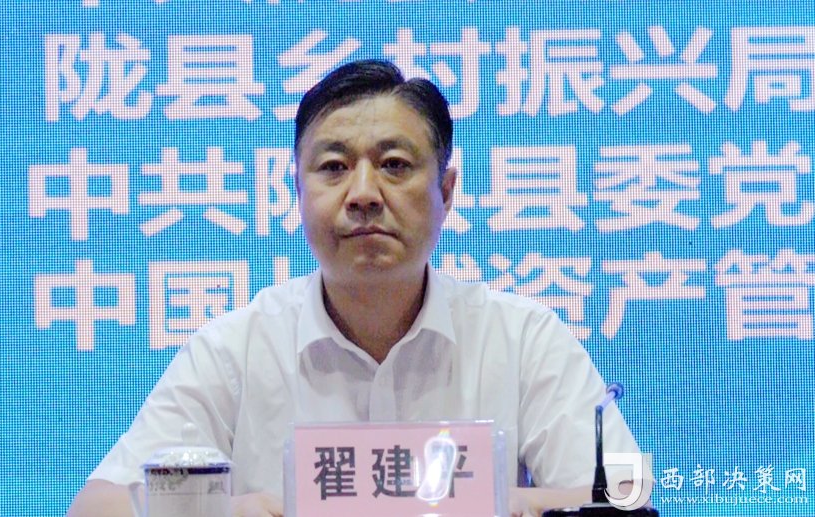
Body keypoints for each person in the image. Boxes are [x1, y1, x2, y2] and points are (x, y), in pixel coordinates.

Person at [68, 59, 644, 517]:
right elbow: (95, 506)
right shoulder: (235, 349)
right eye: (334, 167)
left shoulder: (523, 338)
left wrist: (496, 502)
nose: (364, 194)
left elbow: (626, 495)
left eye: (394, 164)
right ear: (297, 192)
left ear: (446, 191)